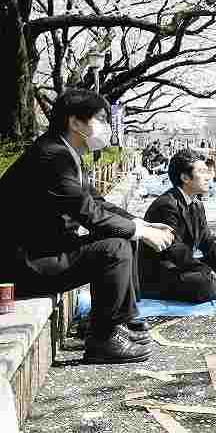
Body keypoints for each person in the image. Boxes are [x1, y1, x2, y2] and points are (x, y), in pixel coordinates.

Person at [2, 88, 175, 364]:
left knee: (123, 236)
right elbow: (89, 214)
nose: (106, 127)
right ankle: (103, 339)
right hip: (26, 264)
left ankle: (122, 322)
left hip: (44, 253)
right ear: (75, 122)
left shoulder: (64, 152)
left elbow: (98, 202)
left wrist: (140, 223)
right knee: (115, 248)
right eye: (101, 119)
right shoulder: (52, 157)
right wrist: (141, 232)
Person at [141, 149, 216, 304]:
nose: (208, 176)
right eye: (202, 172)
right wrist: (212, 275)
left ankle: (214, 278)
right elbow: (175, 252)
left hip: (185, 263)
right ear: (185, 177)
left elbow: (208, 242)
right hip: (164, 269)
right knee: (204, 284)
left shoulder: (196, 203)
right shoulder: (166, 205)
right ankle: (210, 281)